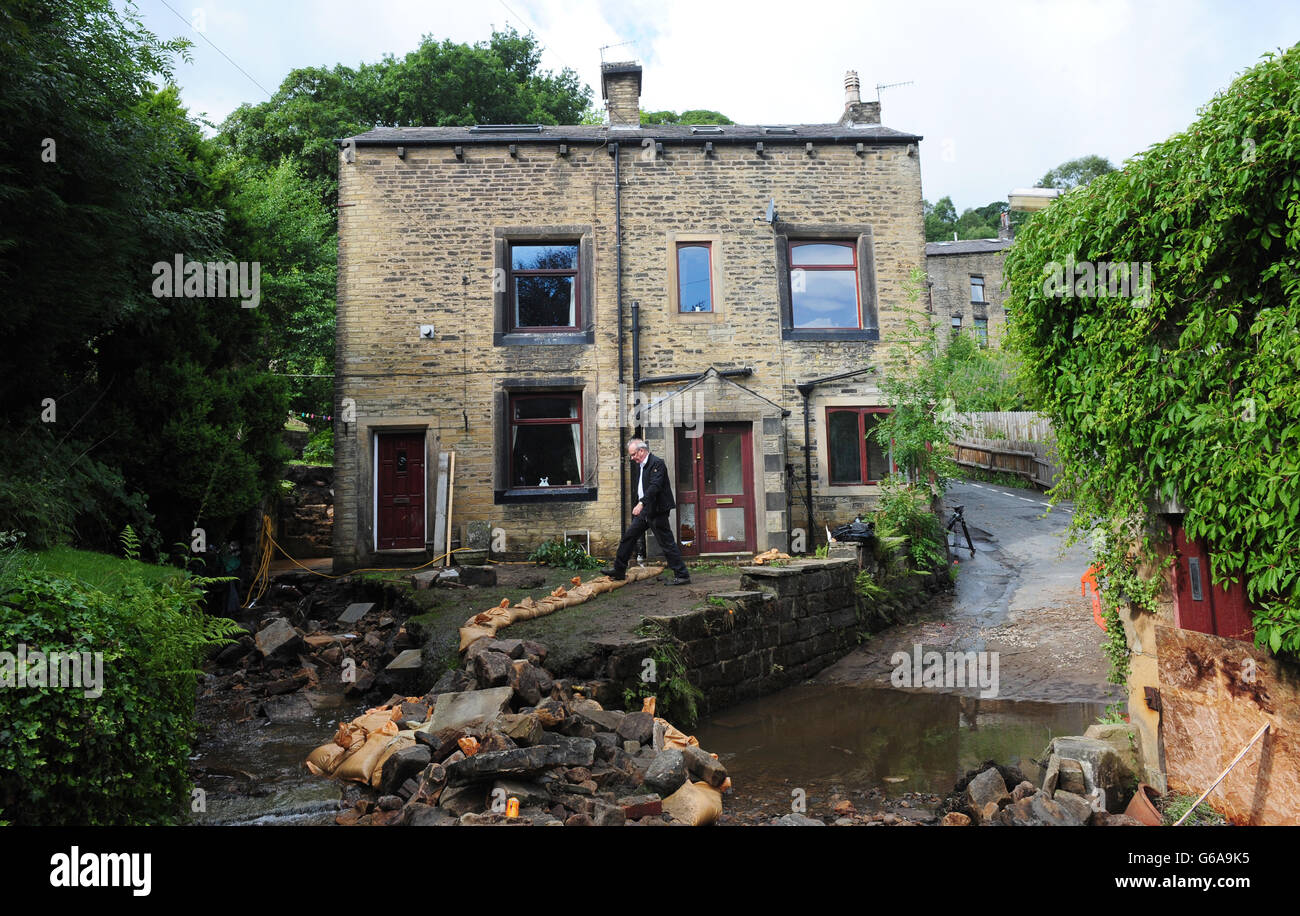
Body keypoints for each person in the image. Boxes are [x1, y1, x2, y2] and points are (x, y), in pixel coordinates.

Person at [603, 437, 691, 585]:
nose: (632, 458)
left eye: (633, 454)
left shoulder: (657, 463)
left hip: (657, 510)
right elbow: (642, 487)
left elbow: (655, 487)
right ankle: (619, 570)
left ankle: (682, 575)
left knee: (666, 543)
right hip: (646, 510)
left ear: (642, 451)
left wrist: (641, 503)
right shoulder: (641, 464)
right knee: (629, 537)